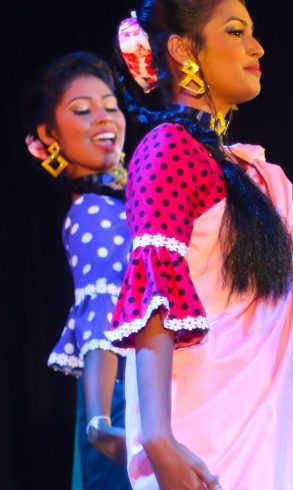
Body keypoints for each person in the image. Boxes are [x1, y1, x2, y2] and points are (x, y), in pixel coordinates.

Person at [105, 2, 293, 488]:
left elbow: (278, 325)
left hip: (272, 426)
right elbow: (155, 291)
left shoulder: (252, 173)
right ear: (184, 50)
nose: (257, 47)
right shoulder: (168, 150)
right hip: (206, 431)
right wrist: (159, 438)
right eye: (235, 32)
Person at [24, 51, 132, 490]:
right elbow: (101, 307)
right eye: (83, 110)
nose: (103, 118)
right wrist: (100, 421)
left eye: (110, 106)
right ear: (48, 135)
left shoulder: (123, 204)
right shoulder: (92, 211)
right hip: (125, 399)